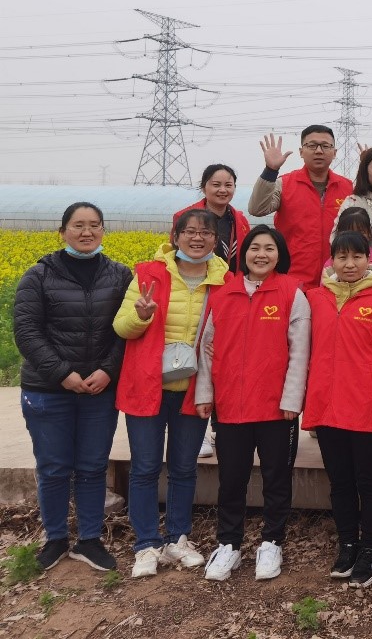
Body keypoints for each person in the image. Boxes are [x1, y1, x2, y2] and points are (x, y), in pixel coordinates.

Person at [15, 202, 132, 573]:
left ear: (103, 230)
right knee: (53, 467)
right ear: (62, 231)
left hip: (99, 389)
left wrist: (109, 371)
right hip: (48, 390)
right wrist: (62, 373)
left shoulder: (120, 275)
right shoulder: (38, 275)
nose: (87, 232)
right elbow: (27, 332)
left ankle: (90, 539)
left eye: (94, 225)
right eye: (78, 225)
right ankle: (55, 539)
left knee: (93, 466)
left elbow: (126, 331)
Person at [114, 208, 229, 578]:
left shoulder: (225, 281)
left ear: (216, 240)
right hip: (147, 386)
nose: (197, 238)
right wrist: (141, 315)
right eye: (190, 231)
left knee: (183, 467)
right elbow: (122, 327)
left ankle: (178, 537)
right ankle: (146, 543)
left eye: (206, 233)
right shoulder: (149, 274)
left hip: (193, 390)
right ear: (176, 236)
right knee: (145, 467)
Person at [194, 225, 309, 582]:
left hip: (276, 409)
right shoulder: (223, 293)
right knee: (231, 479)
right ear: (243, 254)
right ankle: (228, 544)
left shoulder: (291, 292)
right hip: (231, 407)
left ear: (280, 254)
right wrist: (205, 393)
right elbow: (206, 349)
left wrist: (292, 399)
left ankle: (272, 542)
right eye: (254, 247)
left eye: (269, 248)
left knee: (276, 478)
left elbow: (300, 351)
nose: (261, 254)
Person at [303, 231, 372, 589]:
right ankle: (348, 543)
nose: (349, 264)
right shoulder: (315, 298)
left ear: (369, 259)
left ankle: (370, 547)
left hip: (368, 405)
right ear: (332, 260)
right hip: (327, 405)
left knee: (369, 479)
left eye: (357, 257)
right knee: (340, 481)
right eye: (342, 257)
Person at [249, 127, 353, 290]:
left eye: (325, 146)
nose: (319, 151)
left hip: (337, 282)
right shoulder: (285, 183)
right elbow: (257, 209)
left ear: (334, 152)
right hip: (291, 281)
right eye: (312, 145)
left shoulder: (348, 187)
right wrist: (270, 170)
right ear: (301, 152)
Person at [173, 164, 252, 273]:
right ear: (203, 188)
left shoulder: (240, 220)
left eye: (228, 185)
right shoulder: (184, 217)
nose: (223, 190)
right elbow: (175, 253)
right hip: (197, 278)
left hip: (232, 280)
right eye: (216, 185)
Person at [327, 207, 372, 273]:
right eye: (349, 232)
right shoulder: (334, 258)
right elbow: (326, 278)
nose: (354, 237)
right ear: (339, 234)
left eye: (360, 232)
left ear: (369, 233)